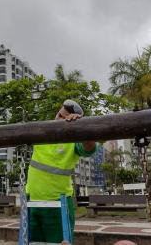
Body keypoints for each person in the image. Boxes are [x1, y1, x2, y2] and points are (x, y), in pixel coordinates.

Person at [26, 99, 97, 243]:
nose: (60, 120)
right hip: (32, 202)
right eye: (60, 115)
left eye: (66, 119)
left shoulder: (73, 141)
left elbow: (89, 149)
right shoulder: (42, 133)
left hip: (58, 204)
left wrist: (81, 127)